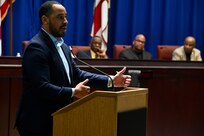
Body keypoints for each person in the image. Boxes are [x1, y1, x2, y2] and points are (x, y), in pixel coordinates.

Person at [15, 1, 131, 136]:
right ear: (45, 20)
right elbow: (41, 87)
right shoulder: (36, 47)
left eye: (66, 17)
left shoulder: (63, 46)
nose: (65, 21)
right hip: (38, 121)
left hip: (60, 117)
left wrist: (111, 80)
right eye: (60, 17)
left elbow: (76, 74)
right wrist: (73, 92)